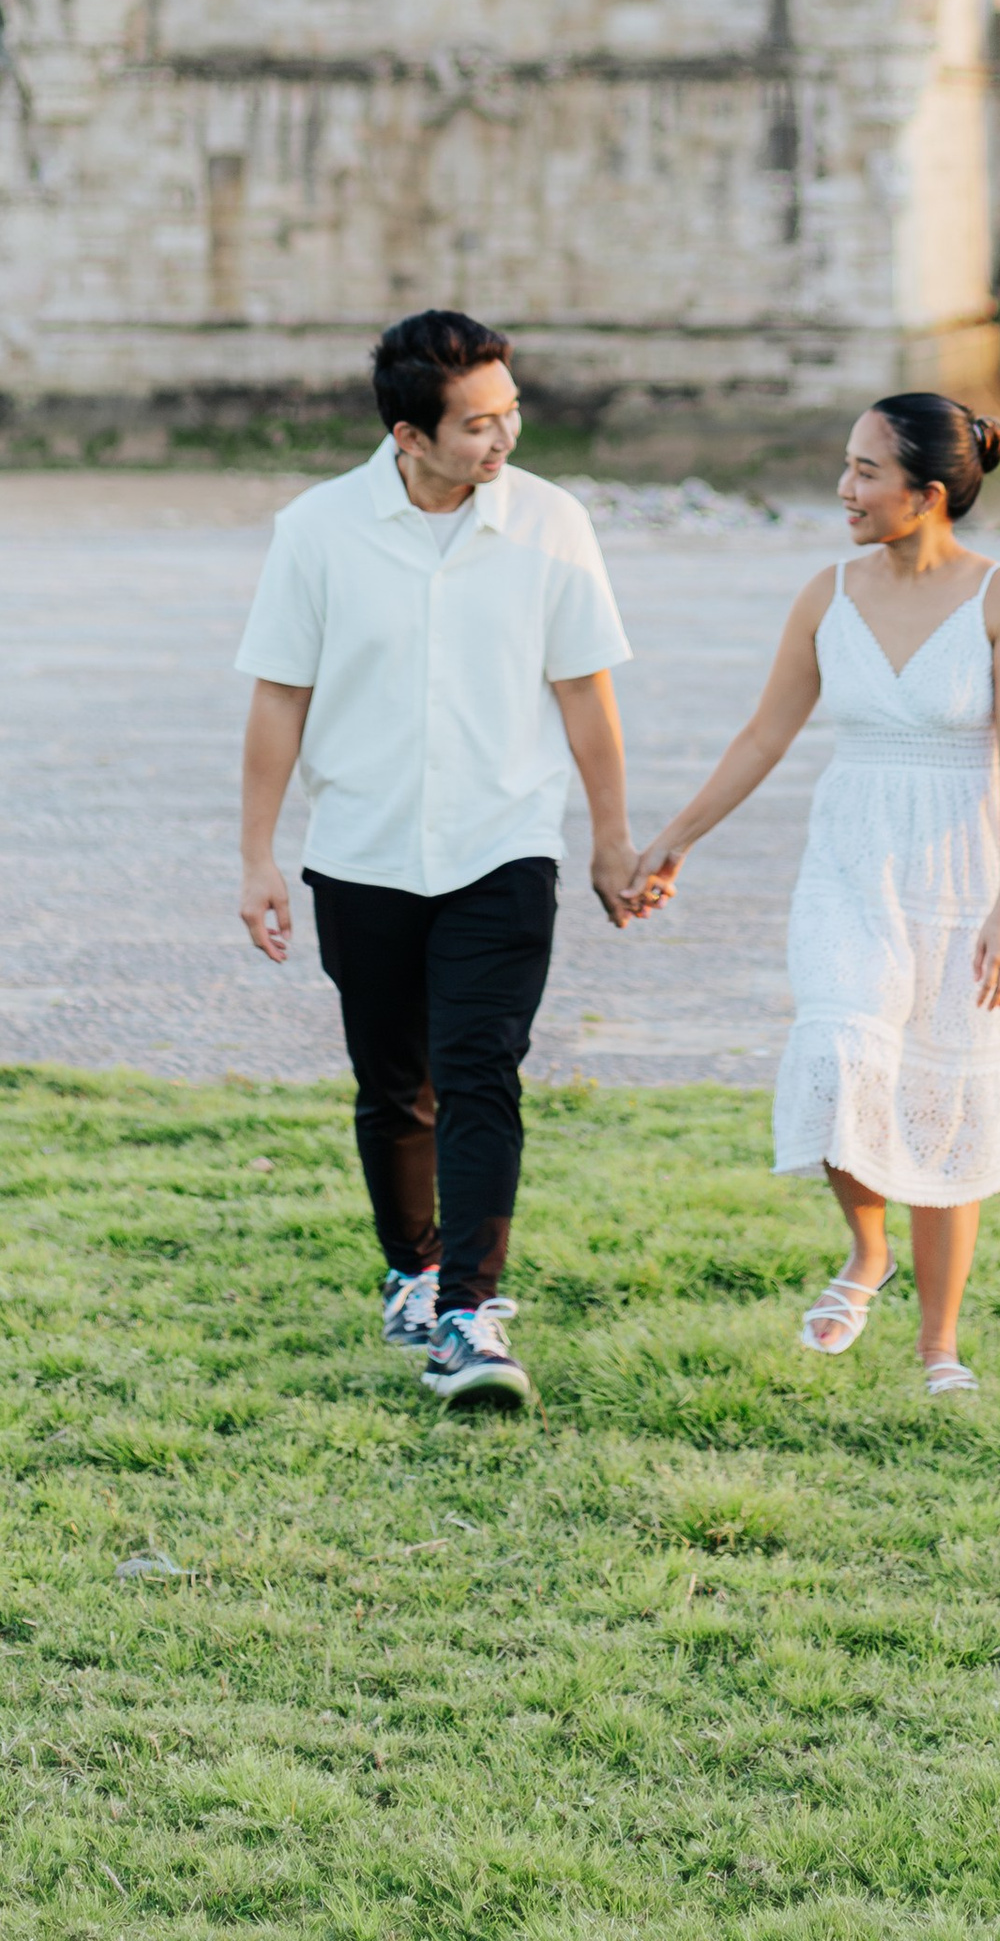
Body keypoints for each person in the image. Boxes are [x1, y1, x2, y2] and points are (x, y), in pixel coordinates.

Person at [626, 394, 1000, 1394]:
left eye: (864, 472)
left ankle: (940, 1346)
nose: (843, 489)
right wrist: (673, 838)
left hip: (966, 871)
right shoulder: (825, 593)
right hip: (850, 865)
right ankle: (866, 1250)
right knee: (838, 1049)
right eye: (846, 466)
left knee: (945, 1098)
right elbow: (765, 734)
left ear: (926, 495)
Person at [234, 309, 638, 1413]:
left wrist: (608, 837)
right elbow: (280, 694)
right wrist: (258, 856)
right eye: (477, 424)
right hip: (360, 849)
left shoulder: (552, 523)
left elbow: (585, 692)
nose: (501, 439)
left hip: (502, 845)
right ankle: (410, 1269)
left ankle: (469, 1309)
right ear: (409, 434)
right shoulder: (316, 529)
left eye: (510, 413)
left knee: (478, 1072)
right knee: (392, 1083)